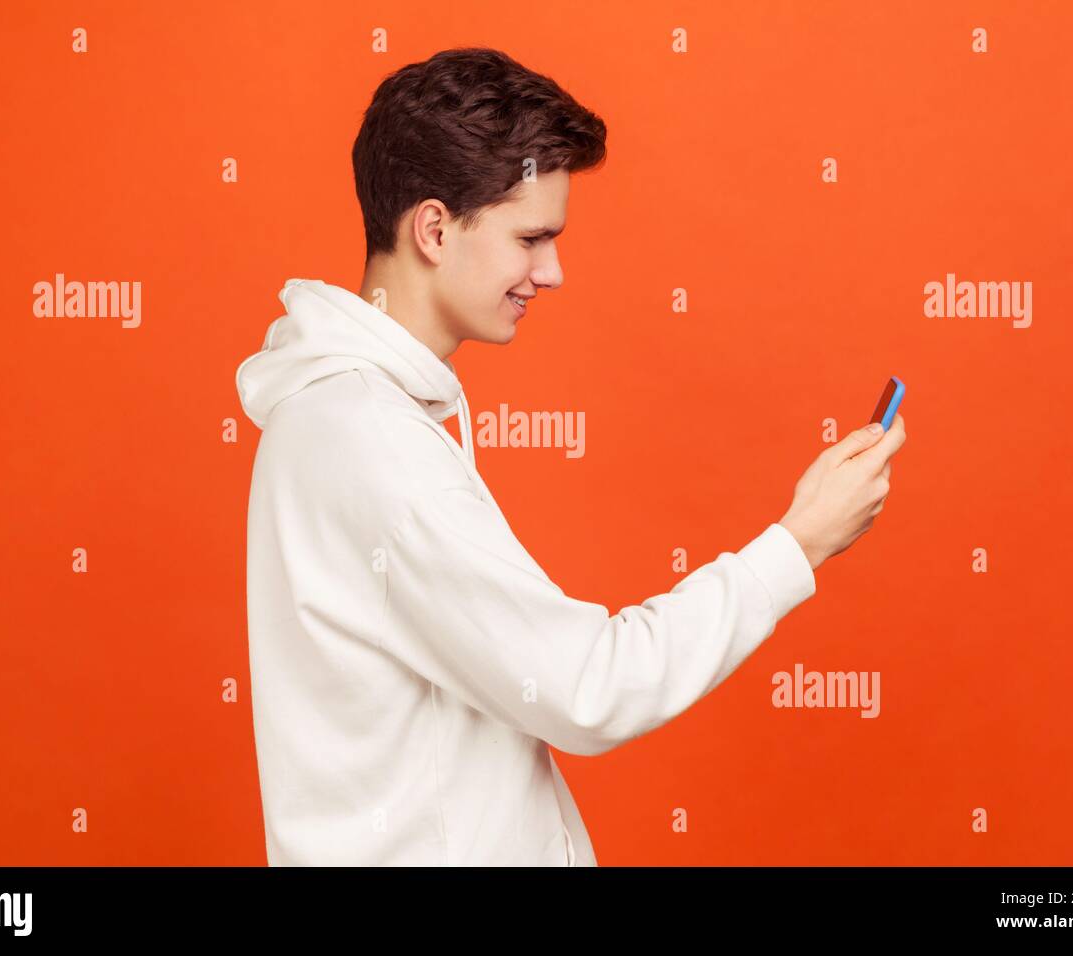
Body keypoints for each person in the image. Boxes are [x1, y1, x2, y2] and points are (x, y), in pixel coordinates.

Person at [235, 46, 906, 867]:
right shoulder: (370, 443)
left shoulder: (344, 418)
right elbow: (590, 688)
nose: (551, 272)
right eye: (531, 238)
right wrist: (797, 545)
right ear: (435, 229)